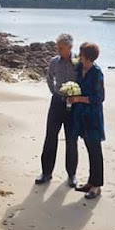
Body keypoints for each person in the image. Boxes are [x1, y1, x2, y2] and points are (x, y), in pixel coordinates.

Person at [35, 33, 79, 188]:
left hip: (74, 105)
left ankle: (72, 174)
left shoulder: (78, 62)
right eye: (57, 47)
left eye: (61, 48)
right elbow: (48, 77)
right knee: (50, 137)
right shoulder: (54, 61)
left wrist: (77, 97)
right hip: (57, 103)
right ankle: (46, 172)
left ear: (70, 47)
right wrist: (54, 92)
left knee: (71, 140)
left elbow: (83, 79)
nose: (58, 50)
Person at [69, 42, 105, 200]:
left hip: (93, 117)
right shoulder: (79, 68)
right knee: (89, 149)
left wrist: (78, 98)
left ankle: (97, 186)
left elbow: (100, 98)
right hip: (80, 116)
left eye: (81, 54)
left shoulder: (97, 73)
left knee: (95, 151)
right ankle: (91, 182)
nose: (79, 55)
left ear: (89, 57)